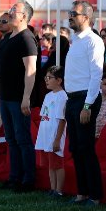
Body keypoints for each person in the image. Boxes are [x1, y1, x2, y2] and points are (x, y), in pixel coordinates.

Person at [64, 0, 105, 205]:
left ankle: (95, 195)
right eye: (70, 12)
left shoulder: (93, 40)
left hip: (85, 98)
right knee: (76, 148)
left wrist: (87, 105)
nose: (70, 16)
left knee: (86, 148)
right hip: (73, 98)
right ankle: (82, 192)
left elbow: (96, 75)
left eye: (74, 13)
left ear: (86, 18)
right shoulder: (76, 39)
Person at [0, 0, 38, 192]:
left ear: (24, 16)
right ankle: (14, 177)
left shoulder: (26, 38)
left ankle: (28, 180)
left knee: (22, 139)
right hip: (5, 97)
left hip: (18, 98)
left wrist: (26, 97)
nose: (11, 12)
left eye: (15, 10)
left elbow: (31, 70)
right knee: (11, 139)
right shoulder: (7, 38)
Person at [36, 65, 68, 197]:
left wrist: (57, 139)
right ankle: (53, 188)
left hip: (55, 136)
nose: (46, 80)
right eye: (46, 77)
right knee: (50, 164)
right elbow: (44, 116)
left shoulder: (62, 96)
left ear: (59, 80)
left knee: (57, 164)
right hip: (46, 135)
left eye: (50, 78)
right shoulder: (48, 96)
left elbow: (62, 120)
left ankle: (59, 190)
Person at [94, 66, 106, 139]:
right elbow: (86, 106)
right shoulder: (94, 98)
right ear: (100, 85)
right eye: (105, 84)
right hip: (93, 135)